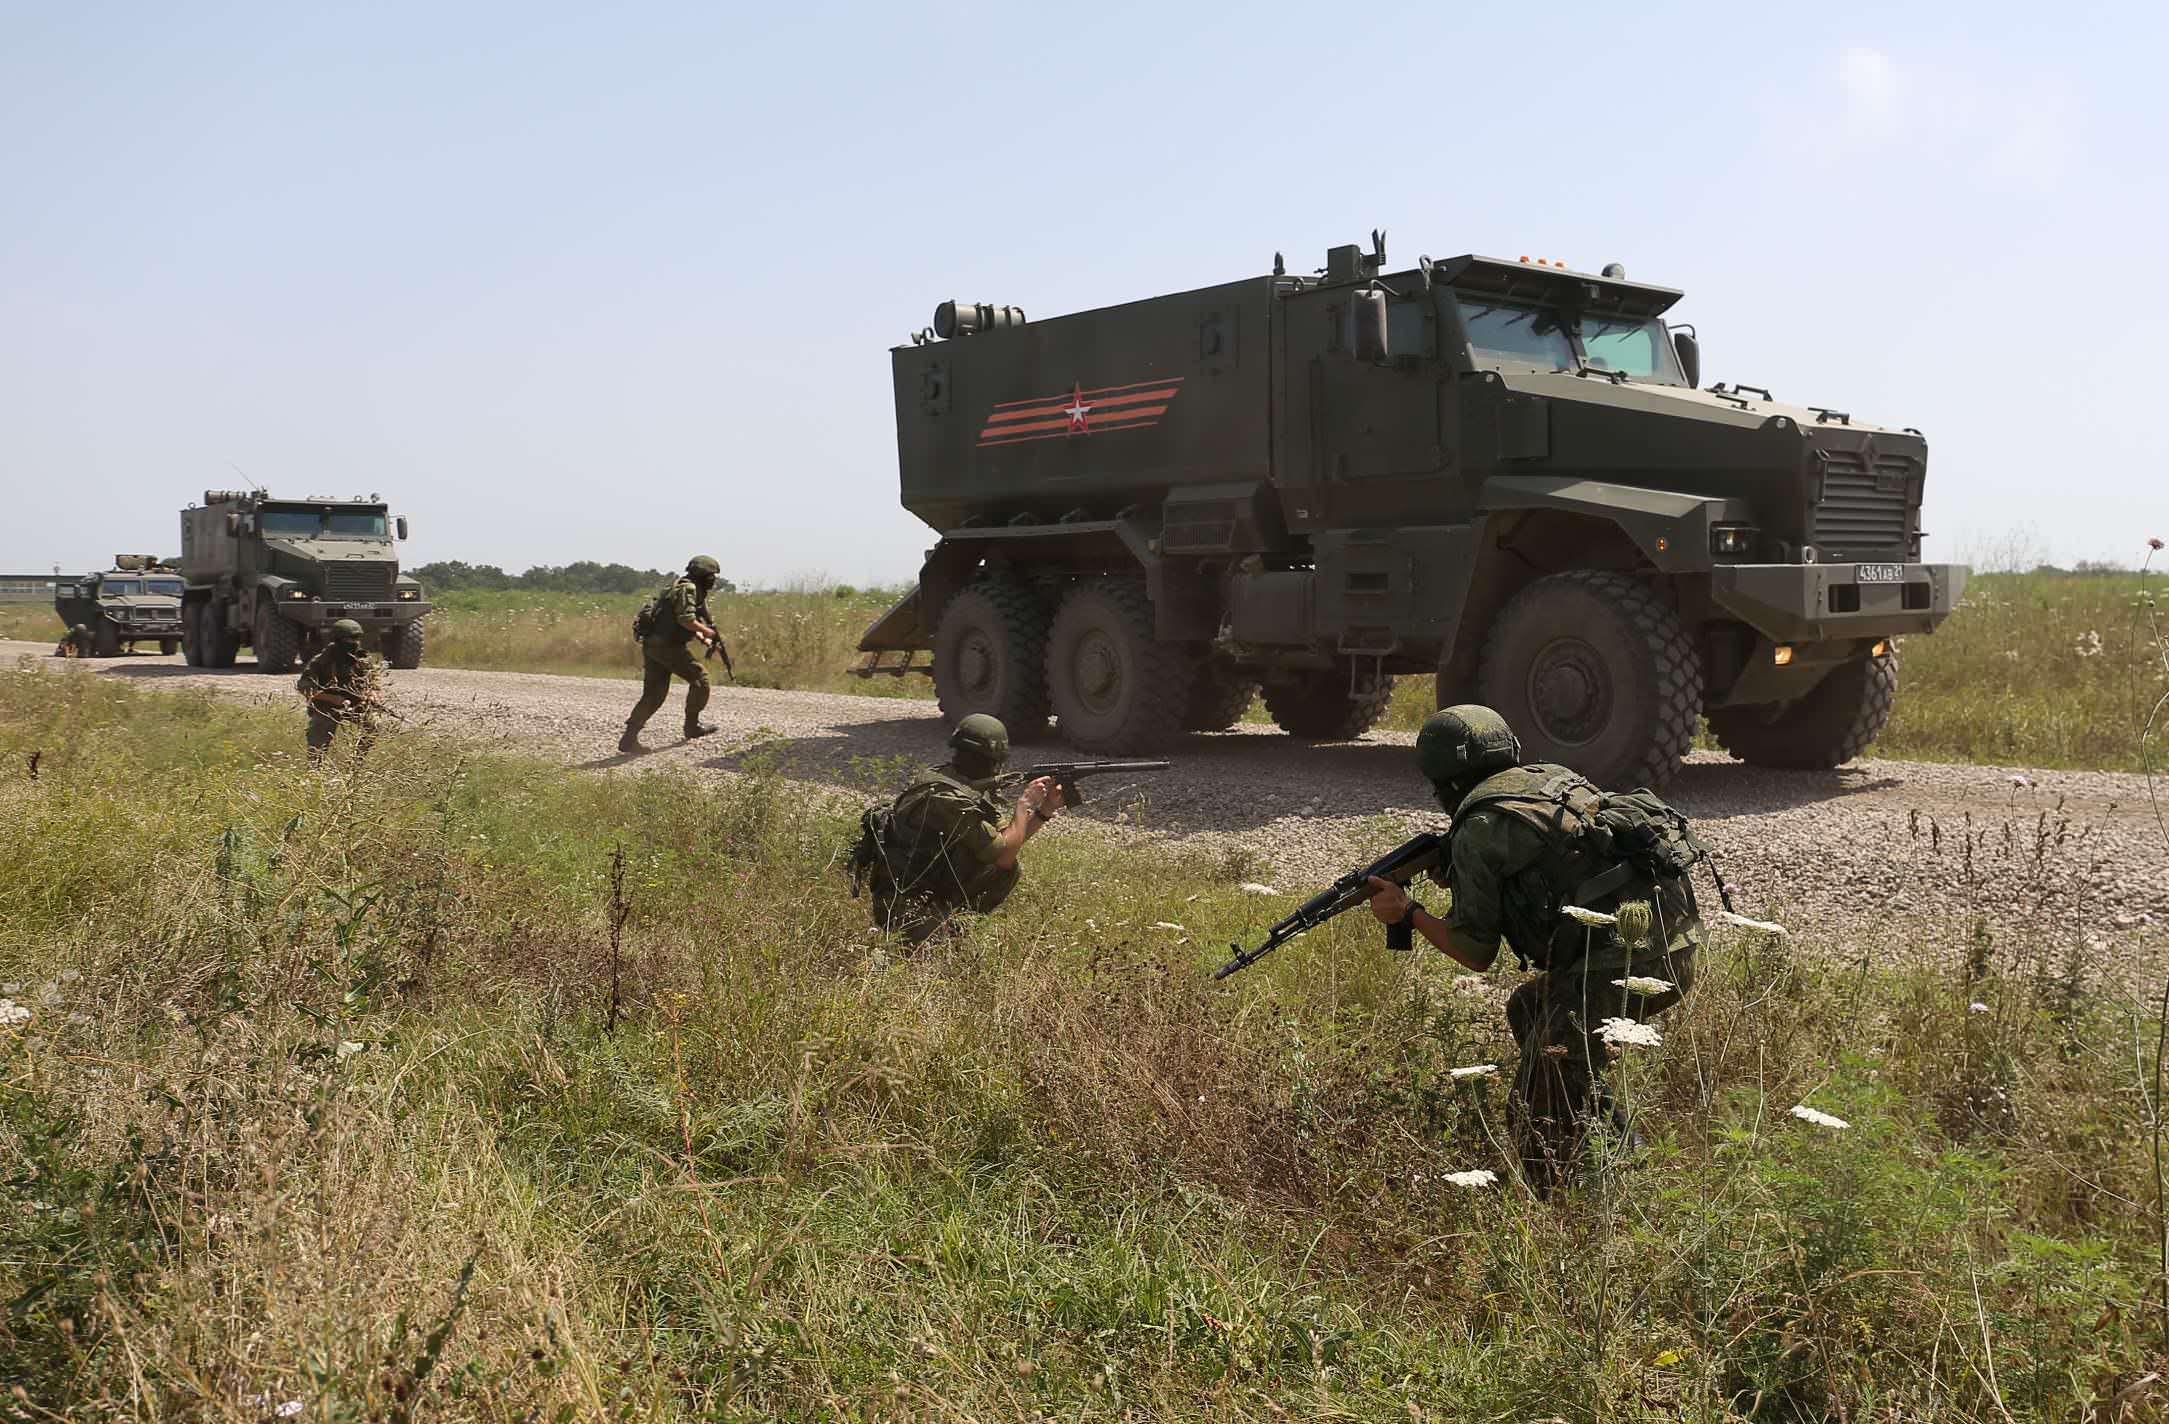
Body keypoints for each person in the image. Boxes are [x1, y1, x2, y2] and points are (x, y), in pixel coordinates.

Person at [1362, 704, 1705, 1194]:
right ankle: (1621, 1157)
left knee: (1537, 1099)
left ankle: (1563, 1210)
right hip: (1673, 946)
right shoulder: (1547, 778)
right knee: (1531, 1009)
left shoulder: (1479, 827)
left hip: (1625, 961)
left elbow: (1474, 952)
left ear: (1440, 779)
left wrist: (1409, 912)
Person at [851, 713, 1065, 945]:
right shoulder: (949, 798)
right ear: (996, 758)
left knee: (1004, 866)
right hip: (903, 903)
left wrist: (1045, 810)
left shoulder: (954, 781)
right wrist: (1024, 806)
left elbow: (1007, 840)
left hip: (920, 889)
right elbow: (1003, 854)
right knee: (1003, 870)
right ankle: (943, 932)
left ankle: (951, 927)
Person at [620, 555, 725, 754]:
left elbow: (675, 620)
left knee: (654, 694)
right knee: (699, 679)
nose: (713, 580)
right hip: (667, 647)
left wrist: (703, 639)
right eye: (711, 576)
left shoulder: (679, 586)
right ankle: (692, 726)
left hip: (654, 645)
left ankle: (629, 738)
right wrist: (708, 632)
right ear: (703, 575)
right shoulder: (689, 589)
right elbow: (686, 620)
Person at [297, 619, 383, 761]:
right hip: (327, 707)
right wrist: (332, 699)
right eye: (349, 639)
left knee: (374, 724)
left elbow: (374, 681)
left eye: (357, 638)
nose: (354, 642)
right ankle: (315, 769)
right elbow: (305, 687)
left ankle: (356, 763)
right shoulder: (322, 660)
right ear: (338, 639)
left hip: (355, 705)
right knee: (318, 729)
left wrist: (372, 694)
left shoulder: (362, 660)